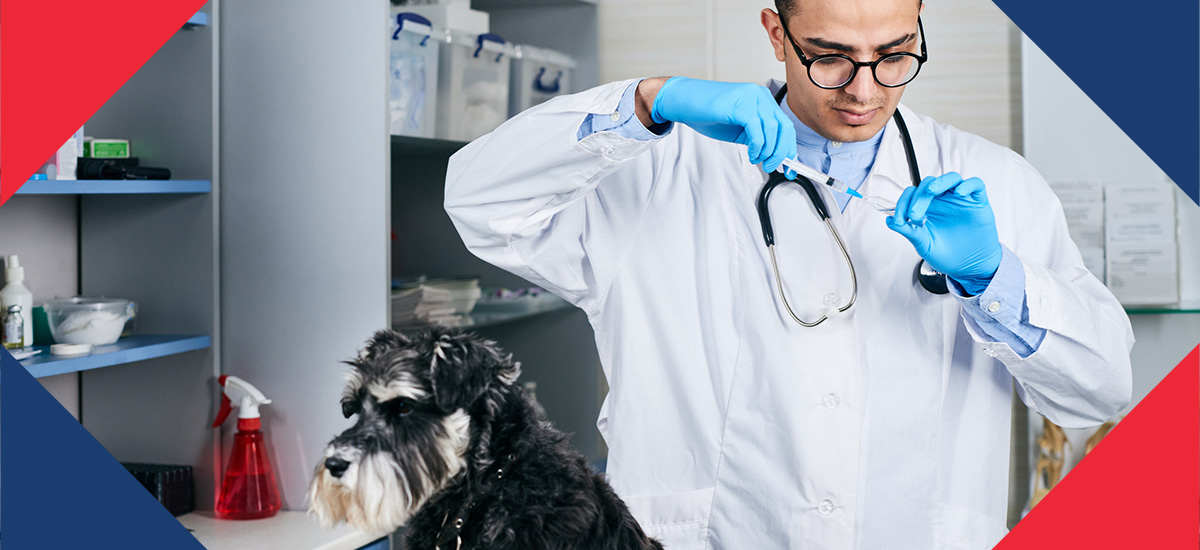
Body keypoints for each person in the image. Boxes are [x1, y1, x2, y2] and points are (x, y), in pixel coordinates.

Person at [444, 0, 1134, 547]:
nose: (864, 89)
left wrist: (994, 279)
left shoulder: (996, 185)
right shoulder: (660, 169)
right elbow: (480, 201)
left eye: (894, 55)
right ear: (778, 34)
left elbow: (1098, 390)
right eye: (830, 57)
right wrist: (645, 103)